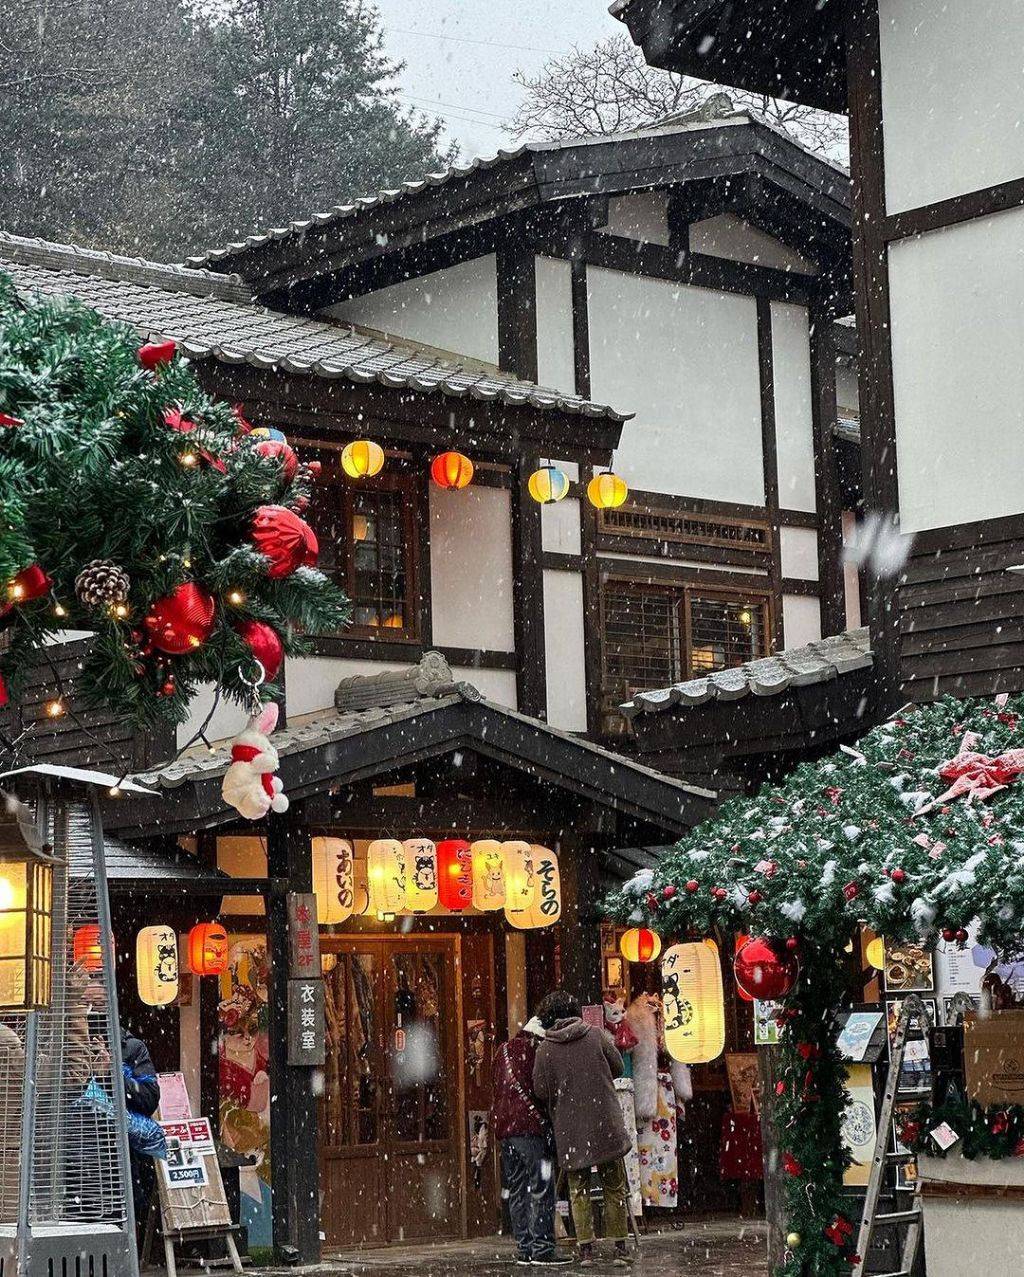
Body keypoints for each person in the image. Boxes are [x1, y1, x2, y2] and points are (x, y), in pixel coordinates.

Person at [532, 991, 632, 1267]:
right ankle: (620, 1246)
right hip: (605, 1121)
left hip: (570, 1127)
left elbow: (540, 1089)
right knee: (614, 1185)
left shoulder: (545, 1049)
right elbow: (618, 1066)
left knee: (578, 1188)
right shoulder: (596, 1035)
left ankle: (586, 1248)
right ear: (574, 1011)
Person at [492, 1014, 569, 1266]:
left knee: (517, 1188)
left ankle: (524, 1247)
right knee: (541, 1187)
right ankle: (543, 1248)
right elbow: (542, 1089)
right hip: (531, 1128)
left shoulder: (502, 1050)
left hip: (506, 1130)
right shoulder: (537, 1050)